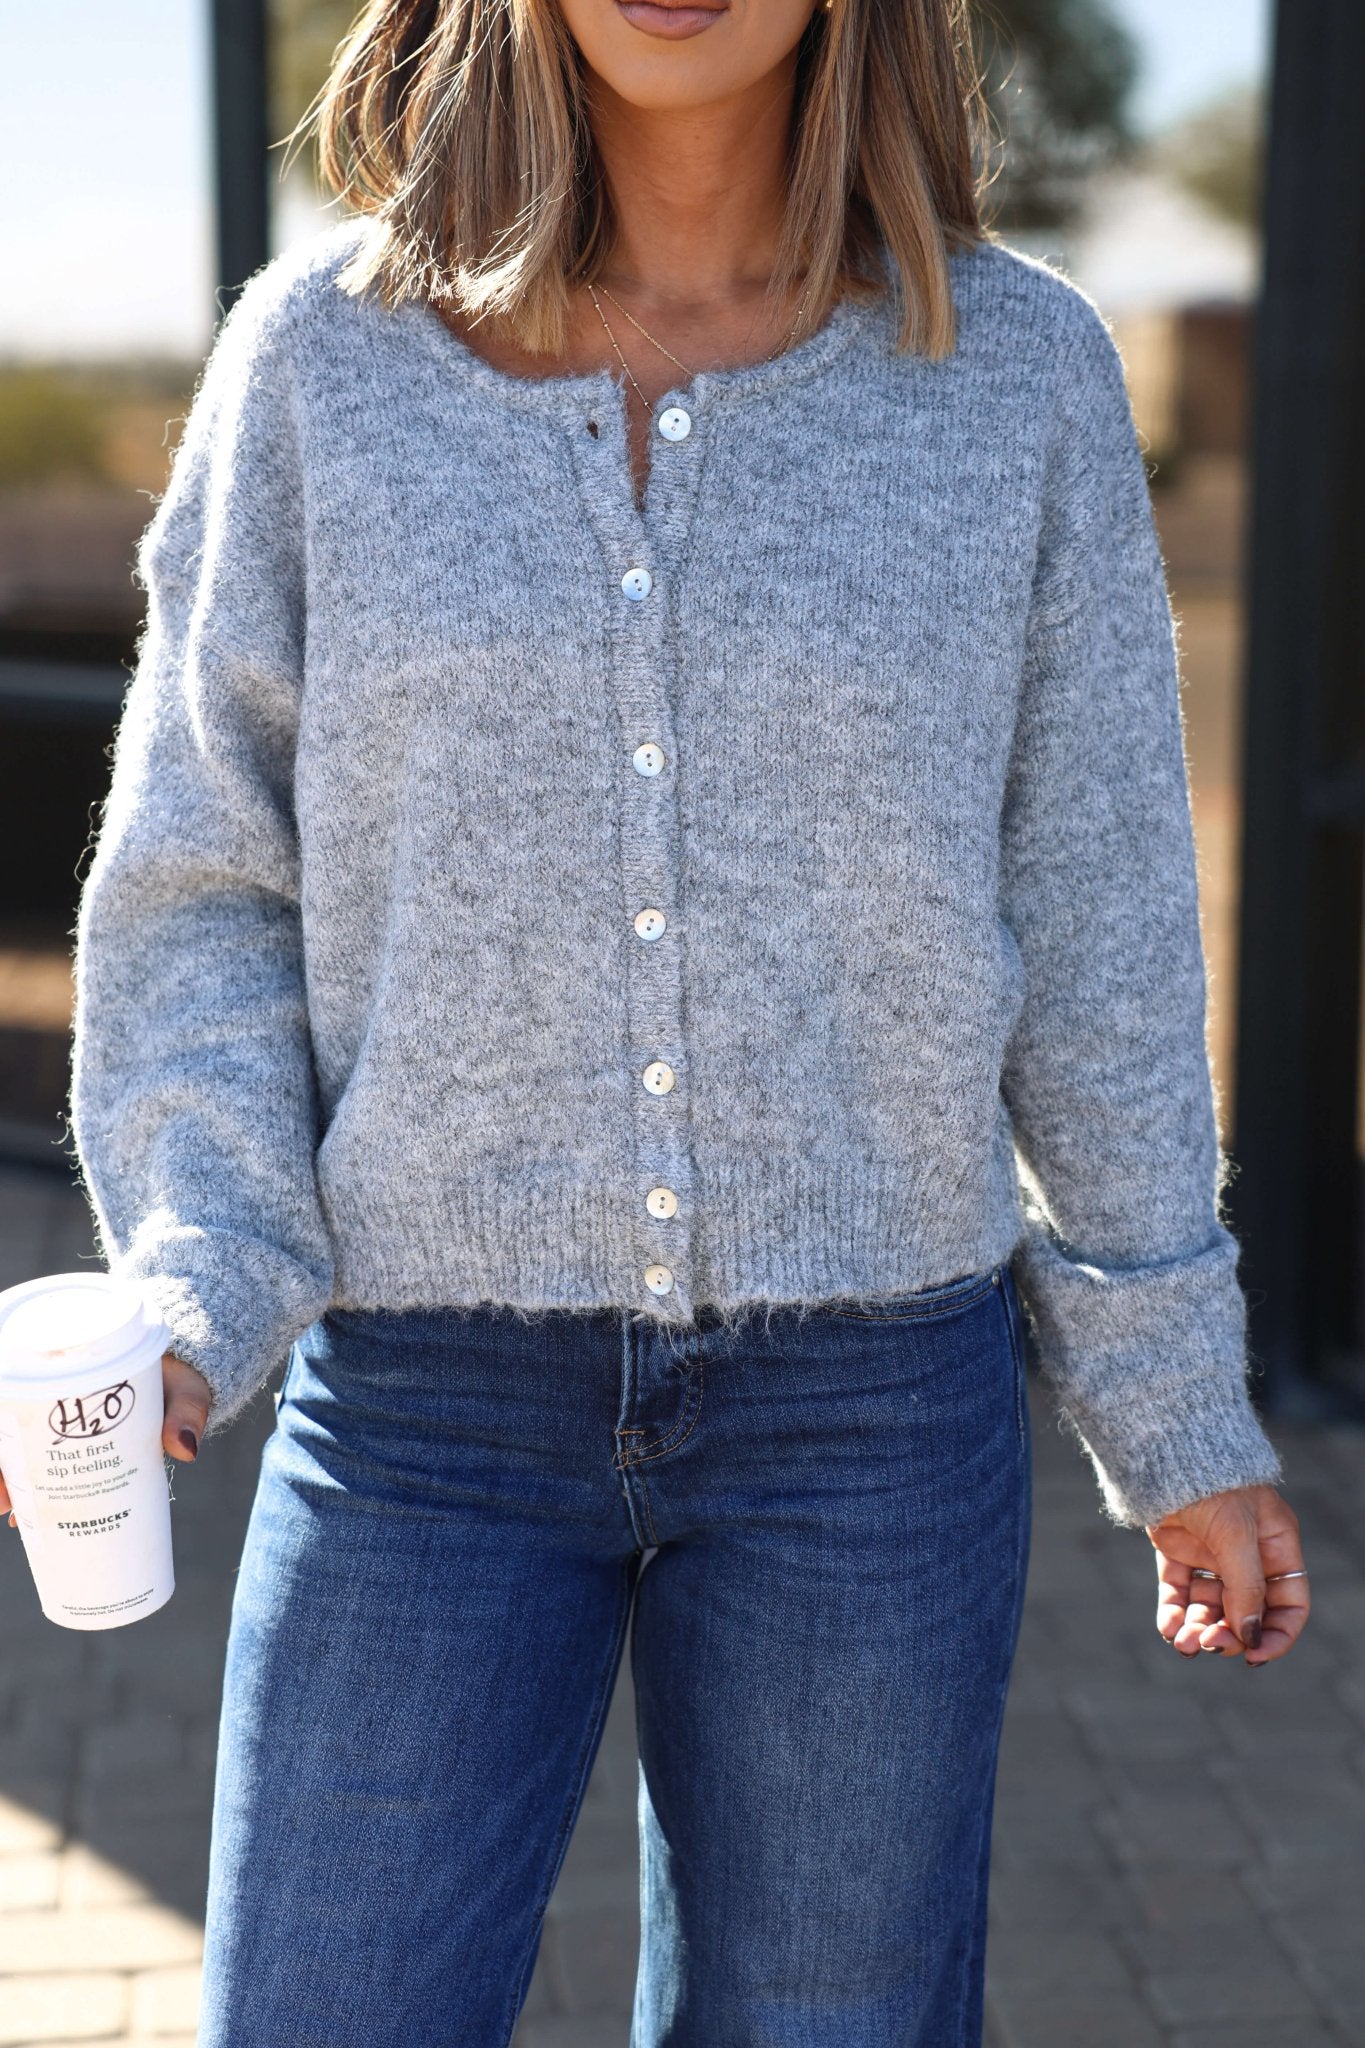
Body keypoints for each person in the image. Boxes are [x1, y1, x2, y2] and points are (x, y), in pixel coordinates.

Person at [49, 0, 1310, 2040]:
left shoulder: (1013, 379)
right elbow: (206, 891)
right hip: (419, 1409)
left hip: (872, 1414)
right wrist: (197, 1275)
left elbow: (1090, 924)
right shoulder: (319, 367)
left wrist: (1169, 1399)